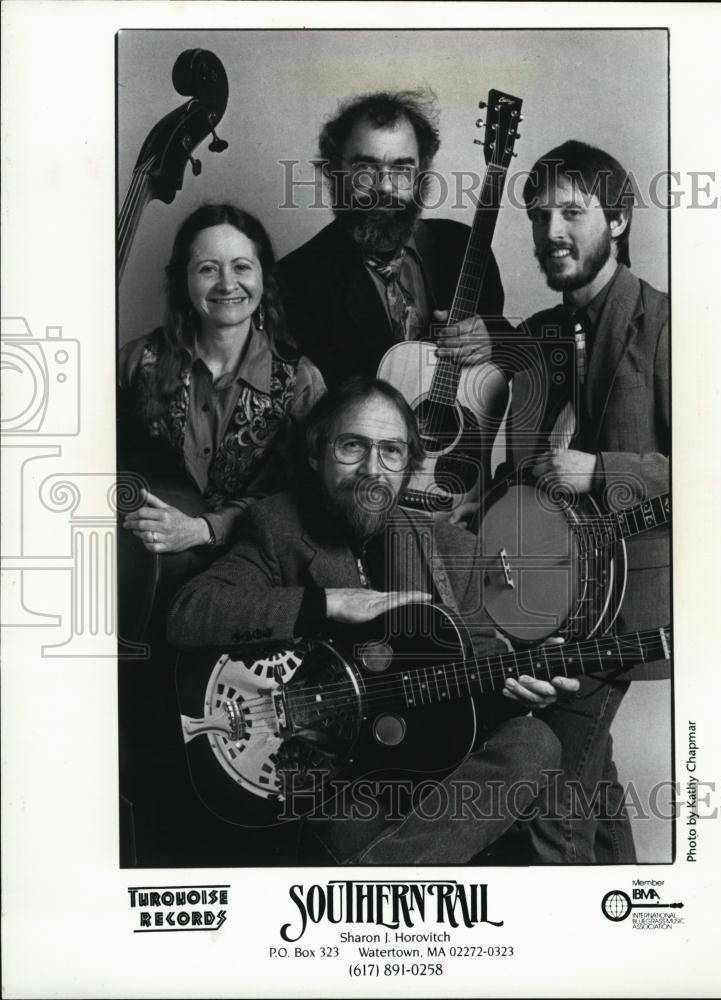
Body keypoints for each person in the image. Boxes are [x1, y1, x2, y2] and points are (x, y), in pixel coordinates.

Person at [168, 376, 579, 864]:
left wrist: (520, 683)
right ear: (317, 453)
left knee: (535, 742)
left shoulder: (454, 550)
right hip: (343, 776)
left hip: (433, 765)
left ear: (408, 466)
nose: (372, 469)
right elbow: (189, 613)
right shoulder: (280, 528)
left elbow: (479, 664)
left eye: (391, 451)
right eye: (352, 446)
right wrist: (326, 603)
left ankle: (379, 872)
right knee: (350, 824)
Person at [474, 140, 670, 864]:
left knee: (552, 818)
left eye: (571, 212)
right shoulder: (535, 339)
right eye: (537, 216)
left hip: (628, 611)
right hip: (546, 605)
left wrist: (603, 471)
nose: (549, 232)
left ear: (617, 220)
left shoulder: (668, 325)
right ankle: (633, 912)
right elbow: (521, 478)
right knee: (589, 793)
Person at [119, 203, 325, 559]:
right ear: (184, 279)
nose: (227, 284)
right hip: (145, 562)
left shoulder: (301, 381)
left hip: (253, 563)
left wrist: (204, 530)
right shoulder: (136, 360)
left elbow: (305, 495)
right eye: (208, 269)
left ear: (263, 277)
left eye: (242, 267)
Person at [276, 90, 505, 386]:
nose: (384, 187)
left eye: (401, 169)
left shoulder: (464, 248)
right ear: (333, 172)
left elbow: (506, 372)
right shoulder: (292, 283)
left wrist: (495, 340)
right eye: (365, 169)